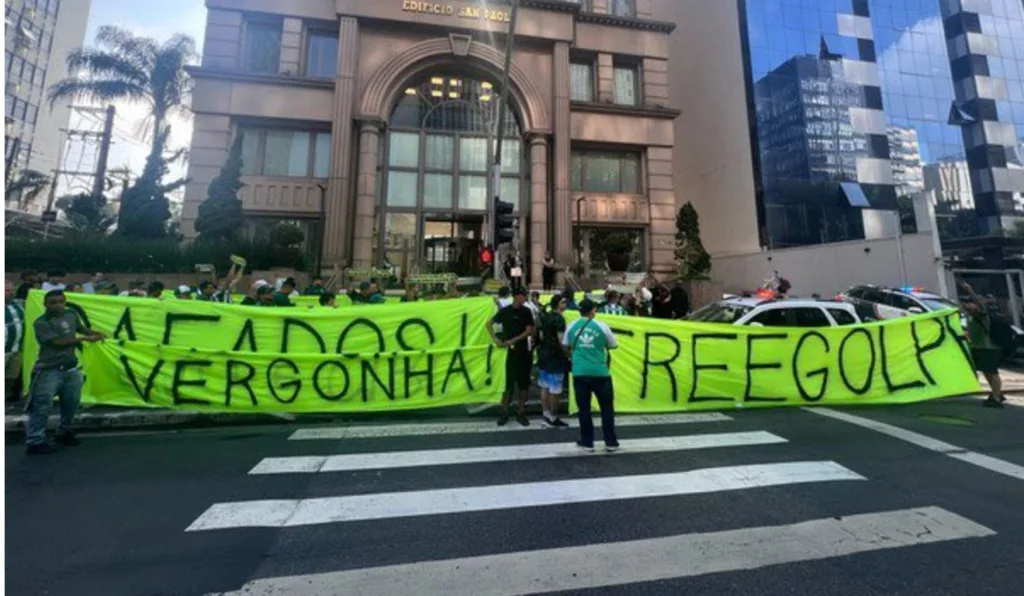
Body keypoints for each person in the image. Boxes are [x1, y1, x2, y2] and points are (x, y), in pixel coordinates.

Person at [25, 290, 105, 455]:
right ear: (45, 304)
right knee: (41, 406)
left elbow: (80, 328)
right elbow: (58, 342)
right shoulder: (41, 323)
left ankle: (63, 432)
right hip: (48, 370)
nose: (58, 305)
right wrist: (84, 339)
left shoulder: (71, 314)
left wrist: (94, 333)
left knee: (71, 404)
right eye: (53, 303)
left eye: (61, 301)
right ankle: (35, 440)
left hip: (70, 368)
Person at [563, 298, 619, 453]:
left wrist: (574, 354)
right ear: (593, 310)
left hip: (580, 372)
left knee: (584, 409)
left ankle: (587, 442)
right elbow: (613, 345)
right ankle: (610, 442)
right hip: (600, 372)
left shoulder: (572, 326)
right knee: (607, 408)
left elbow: (565, 345)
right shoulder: (602, 326)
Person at [487, 287, 536, 427]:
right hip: (508, 353)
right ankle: (504, 412)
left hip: (524, 352)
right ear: (515, 296)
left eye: (524, 295)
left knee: (523, 384)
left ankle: (521, 412)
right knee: (507, 384)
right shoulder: (505, 311)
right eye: (521, 295)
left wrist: (513, 340)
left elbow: (529, 330)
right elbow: (489, 324)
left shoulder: (526, 311)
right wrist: (495, 339)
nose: (524, 298)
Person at [959, 281, 1005, 408]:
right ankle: (997, 393)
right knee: (986, 371)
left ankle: (996, 398)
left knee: (992, 372)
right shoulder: (971, 317)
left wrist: (970, 290)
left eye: (971, 303)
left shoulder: (983, 314)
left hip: (990, 346)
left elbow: (980, 304)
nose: (968, 305)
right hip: (978, 347)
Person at [537, 295, 570, 428]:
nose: (565, 304)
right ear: (557, 304)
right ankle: (553, 417)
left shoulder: (545, 316)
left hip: (543, 355)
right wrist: (567, 353)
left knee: (544, 387)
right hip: (555, 357)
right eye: (563, 302)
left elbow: (540, 335)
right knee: (555, 390)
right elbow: (561, 340)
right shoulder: (559, 319)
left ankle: (545, 413)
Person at [5, 280, 25, 403]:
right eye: (7, 290)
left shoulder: (17, 306)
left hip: (16, 349)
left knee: (11, 377)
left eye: (12, 290)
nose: (11, 293)